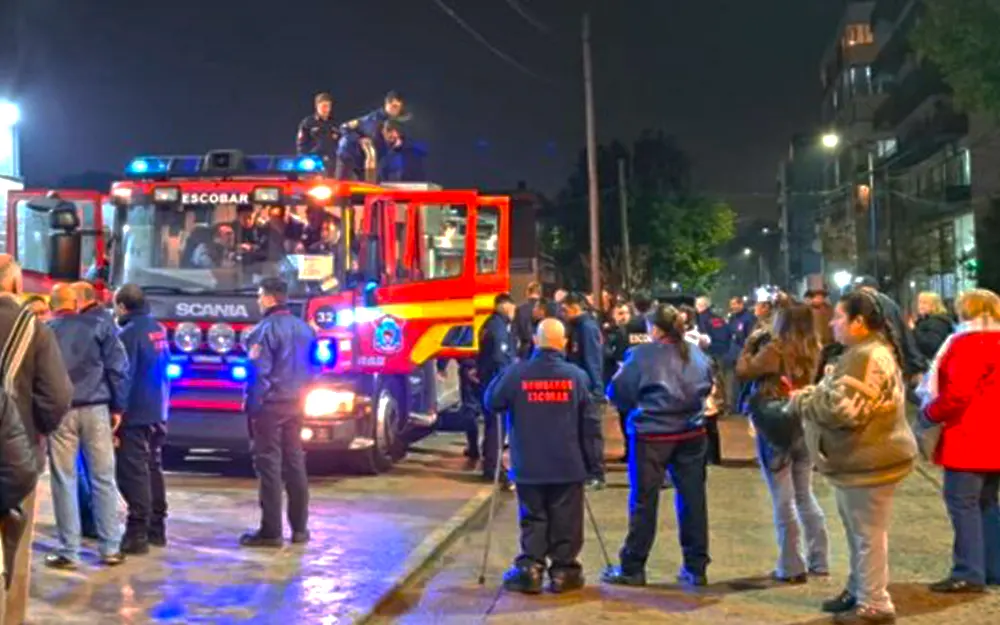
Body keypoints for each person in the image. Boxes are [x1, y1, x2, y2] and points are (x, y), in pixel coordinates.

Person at [789, 289, 917, 624]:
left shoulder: (865, 355)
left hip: (870, 460)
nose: (832, 322)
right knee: (860, 533)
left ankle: (875, 603)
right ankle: (859, 589)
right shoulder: (867, 351)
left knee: (867, 535)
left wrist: (803, 400)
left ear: (859, 322)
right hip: (865, 459)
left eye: (839, 317)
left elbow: (844, 410)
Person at [484, 318, 601, 594]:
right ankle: (563, 571)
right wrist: (595, 465)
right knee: (567, 520)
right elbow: (590, 425)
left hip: (529, 463)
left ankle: (531, 569)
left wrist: (511, 371)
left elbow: (492, 401)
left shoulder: (517, 373)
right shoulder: (577, 377)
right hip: (568, 463)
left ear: (536, 341)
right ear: (563, 343)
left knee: (533, 517)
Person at [602, 304, 715, 588]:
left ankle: (633, 566)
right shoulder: (696, 353)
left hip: (652, 434)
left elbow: (617, 391)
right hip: (691, 432)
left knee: (644, 500)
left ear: (655, 329)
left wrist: (638, 409)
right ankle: (696, 566)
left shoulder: (642, 355)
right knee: (693, 499)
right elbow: (708, 383)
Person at [0, 257, 72, 625]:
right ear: (15, 286)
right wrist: (36, 428)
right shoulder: (34, 330)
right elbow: (58, 395)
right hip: (17, 455)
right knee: (14, 555)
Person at [735, 303, 829, 584]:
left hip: (776, 424)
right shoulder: (814, 346)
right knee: (804, 494)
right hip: (803, 422)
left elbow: (744, 370)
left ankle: (791, 565)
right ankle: (819, 558)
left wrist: (750, 344)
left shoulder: (775, 348)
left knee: (782, 497)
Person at [921, 288, 1000, 594]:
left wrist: (929, 413)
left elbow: (957, 394)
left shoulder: (968, 344)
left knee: (962, 504)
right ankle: (993, 567)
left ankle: (968, 571)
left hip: (969, 436)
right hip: (995, 439)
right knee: (987, 503)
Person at [45, 283, 129, 569]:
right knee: (103, 477)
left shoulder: (46, 331)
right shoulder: (99, 325)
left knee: (64, 479)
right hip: (97, 409)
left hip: (61, 412)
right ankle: (110, 548)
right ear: (76, 303)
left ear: (52, 304)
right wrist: (118, 406)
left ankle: (69, 550)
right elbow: (118, 367)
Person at [241, 278, 315, 547]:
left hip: (271, 406)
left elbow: (257, 374)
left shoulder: (263, 331)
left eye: (260, 296)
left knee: (269, 466)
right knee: (295, 463)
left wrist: (254, 405)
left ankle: (271, 531)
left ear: (271, 298)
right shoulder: (305, 329)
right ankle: (300, 529)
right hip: (297, 403)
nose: (258, 301)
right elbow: (313, 369)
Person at [115, 284, 171, 553]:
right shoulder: (157, 329)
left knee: (132, 472)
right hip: (157, 409)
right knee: (152, 467)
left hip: (136, 413)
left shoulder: (127, 334)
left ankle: (137, 533)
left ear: (122, 307)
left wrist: (118, 411)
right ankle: (156, 528)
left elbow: (124, 376)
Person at [562, 293, 605, 489]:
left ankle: (596, 474)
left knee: (590, 433)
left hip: (587, 389)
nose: (563, 313)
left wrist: (596, 389)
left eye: (565, 309)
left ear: (575, 307)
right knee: (580, 432)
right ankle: (586, 471)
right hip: (578, 387)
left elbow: (592, 359)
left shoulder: (587, 327)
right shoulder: (576, 327)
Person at [476, 293, 517, 488]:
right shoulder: (498, 327)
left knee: (493, 426)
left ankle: (490, 464)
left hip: (488, 382)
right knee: (496, 428)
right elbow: (500, 359)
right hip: (496, 383)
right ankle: (493, 468)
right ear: (505, 307)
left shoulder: (490, 324)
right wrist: (507, 383)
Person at [335, 90, 406, 182]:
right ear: (387, 104)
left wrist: (397, 144)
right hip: (349, 155)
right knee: (344, 188)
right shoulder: (372, 120)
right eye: (394, 106)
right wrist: (360, 139)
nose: (396, 110)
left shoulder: (395, 122)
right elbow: (344, 127)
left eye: (398, 107)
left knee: (370, 187)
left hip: (367, 160)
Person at [296, 92, 341, 163]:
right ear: (317, 106)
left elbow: (341, 142)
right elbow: (301, 145)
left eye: (328, 106)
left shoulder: (335, 123)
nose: (326, 109)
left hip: (333, 161)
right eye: (323, 106)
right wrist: (303, 160)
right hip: (313, 162)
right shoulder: (308, 123)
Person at [912, 291, 953, 362]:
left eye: (924, 303)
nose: (920, 306)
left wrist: (914, 331)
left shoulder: (938, 321)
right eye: (919, 302)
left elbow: (932, 345)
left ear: (934, 305)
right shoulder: (924, 320)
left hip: (932, 363)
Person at [513, 282, 542, 359]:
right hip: (541, 350)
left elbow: (514, 331)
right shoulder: (544, 309)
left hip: (524, 350)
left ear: (527, 292)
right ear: (540, 293)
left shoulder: (520, 310)